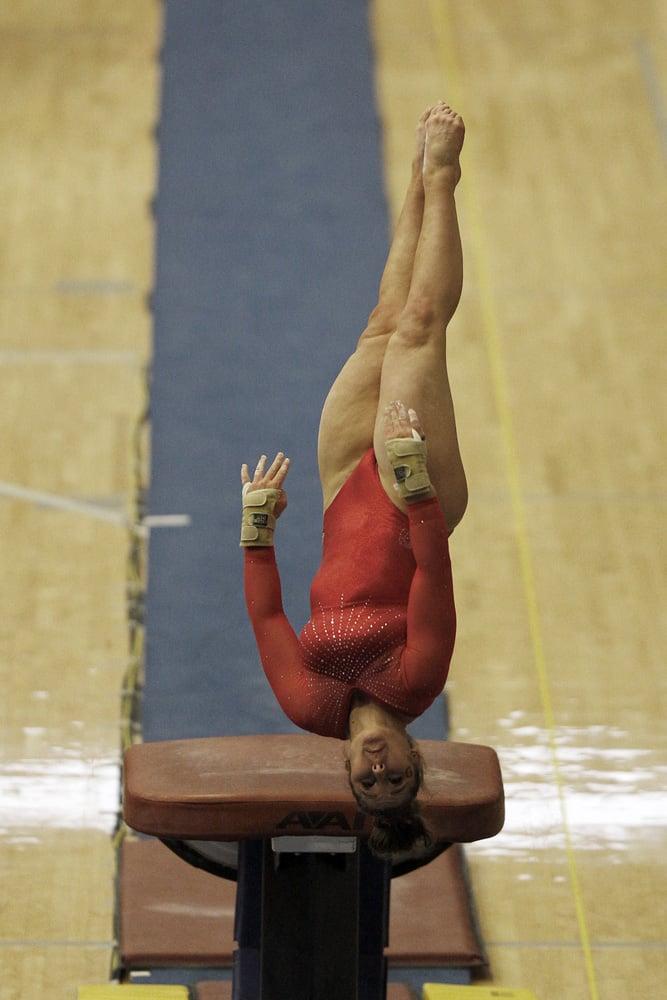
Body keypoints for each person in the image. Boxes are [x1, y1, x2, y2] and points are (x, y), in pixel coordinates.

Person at [240, 102, 467, 858]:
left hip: (343, 492)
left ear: (344, 769)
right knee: (418, 327)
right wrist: (415, 487)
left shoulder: (309, 705)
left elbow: (269, 622)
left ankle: (412, 180)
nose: (379, 773)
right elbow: (432, 569)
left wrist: (258, 531)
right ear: (414, 759)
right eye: (396, 779)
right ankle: (442, 175)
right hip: (415, 502)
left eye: (368, 785)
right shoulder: (418, 681)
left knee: (379, 323)